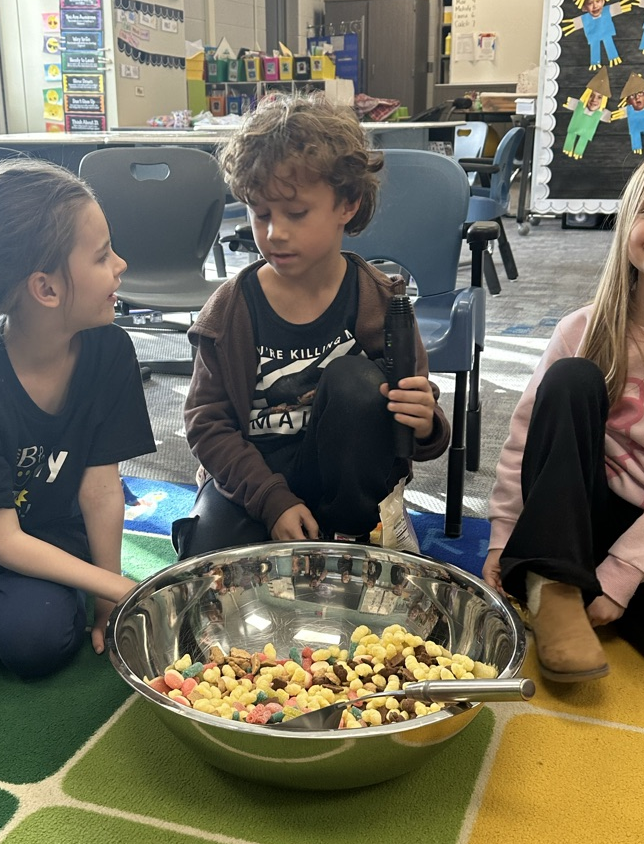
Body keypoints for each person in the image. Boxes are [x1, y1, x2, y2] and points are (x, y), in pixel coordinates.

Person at [0, 157, 156, 691]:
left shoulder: (110, 350)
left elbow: (99, 488)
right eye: (101, 257)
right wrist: (124, 585)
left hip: (44, 531)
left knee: (36, 645)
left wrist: (106, 594)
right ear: (45, 289)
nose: (121, 265)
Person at [172, 93, 449, 560]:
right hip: (253, 479)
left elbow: (414, 420)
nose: (274, 232)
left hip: (349, 484)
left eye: (296, 213)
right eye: (261, 214)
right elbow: (207, 425)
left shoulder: (383, 301)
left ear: (348, 203)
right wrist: (272, 501)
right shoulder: (231, 310)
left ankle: (358, 534)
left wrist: (426, 425)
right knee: (207, 570)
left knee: (358, 381)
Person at [483, 148, 644, 682]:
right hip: (572, 514)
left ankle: (579, 586)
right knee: (572, 378)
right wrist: (504, 538)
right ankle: (551, 581)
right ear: (627, 221)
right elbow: (523, 442)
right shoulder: (583, 328)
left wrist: (624, 573)